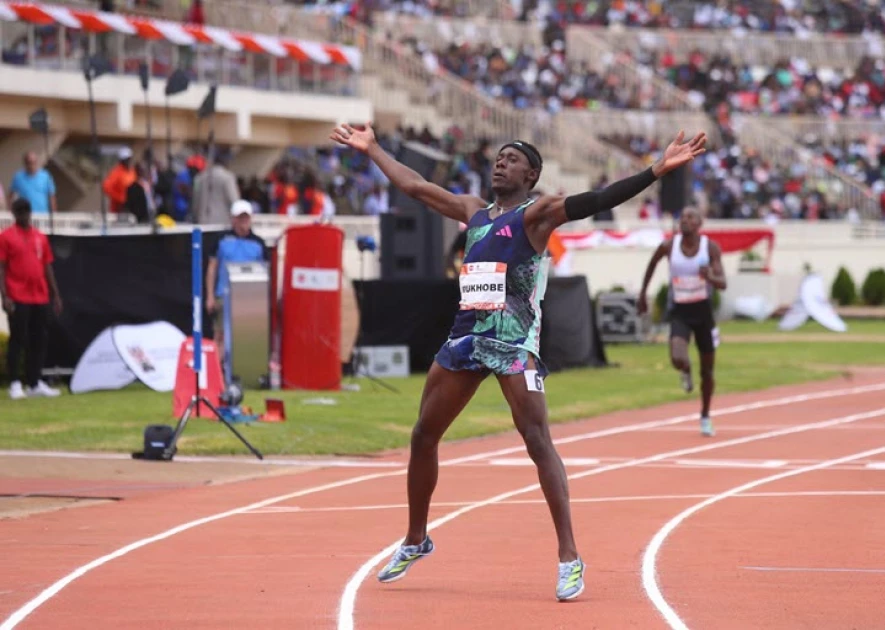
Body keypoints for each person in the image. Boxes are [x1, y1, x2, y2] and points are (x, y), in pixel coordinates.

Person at [329, 122, 706, 600]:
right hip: (467, 337)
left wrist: (656, 170)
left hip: (513, 344)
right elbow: (416, 186)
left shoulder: (537, 213)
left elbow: (599, 199)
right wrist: (373, 149)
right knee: (423, 435)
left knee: (537, 440)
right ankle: (416, 538)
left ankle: (569, 557)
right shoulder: (474, 212)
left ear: (531, 175)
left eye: (512, 159)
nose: (500, 163)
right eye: (498, 158)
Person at [637, 207, 727, 437]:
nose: (684, 220)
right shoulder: (669, 246)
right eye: (683, 217)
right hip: (680, 312)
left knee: (707, 372)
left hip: (703, 313)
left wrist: (710, 276)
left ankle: (705, 416)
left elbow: (723, 282)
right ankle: (685, 370)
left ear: (699, 223)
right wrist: (643, 294)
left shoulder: (709, 247)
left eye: (690, 217)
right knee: (677, 357)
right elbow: (651, 264)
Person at [0, 198, 63, 400]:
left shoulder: (39, 237)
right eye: (20, 212)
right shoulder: (6, 237)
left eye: (26, 211)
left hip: (39, 295)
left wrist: (55, 294)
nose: (24, 216)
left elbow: (47, 266)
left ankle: (34, 382)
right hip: (17, 294)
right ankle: (15, 383)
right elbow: (2, 268)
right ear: (14, 214)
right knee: (18, 339)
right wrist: (5, 296)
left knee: (39, 339)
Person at [205, 200, 268, 369]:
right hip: (224, 294)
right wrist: (210, 296)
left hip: (250, 298)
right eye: (240, 218)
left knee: (247, 336)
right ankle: (215, 373)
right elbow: (212, 268)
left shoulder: (259, 243)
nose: (244, 221)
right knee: (220, 335)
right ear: (233, 219)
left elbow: (265, 274)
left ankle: (245, 370)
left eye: (246, 218)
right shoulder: (221, 240)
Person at [9, 151, 57, 217]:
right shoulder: (18, 177)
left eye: (34, 162)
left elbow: (51, 197)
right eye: (29, 163)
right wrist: (11, 214)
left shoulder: (45, 176)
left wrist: (54, 215)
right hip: (24, 216)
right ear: (25, 163)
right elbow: (11, 197)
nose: (32, 165)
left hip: (42, 216)